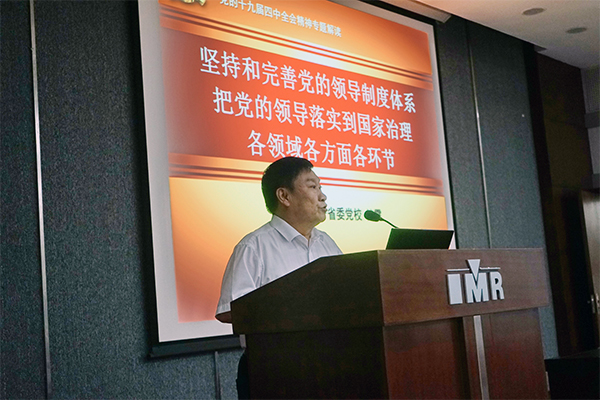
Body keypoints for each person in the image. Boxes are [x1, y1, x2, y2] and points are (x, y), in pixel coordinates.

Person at [215, 156, 342, 323]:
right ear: (284, 196)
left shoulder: (327, 243)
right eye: (313, 187)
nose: (323, 196)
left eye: (320, 187)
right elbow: (231, 310)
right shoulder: (253, 247)